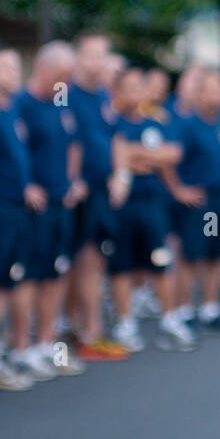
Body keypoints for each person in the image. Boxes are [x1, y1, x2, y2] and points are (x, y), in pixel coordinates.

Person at [10, 41, 85, 378]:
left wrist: (73, 179)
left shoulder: (61, 101)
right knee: (29, 275)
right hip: (33, 206)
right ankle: (21, 347)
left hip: (60, 202)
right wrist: (26, 184)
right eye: (63, 75)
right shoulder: (21, 104)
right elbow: (12, 150)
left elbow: (73, 142)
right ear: (43, 69)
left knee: (55, 272)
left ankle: (46, 344)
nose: (67, 82)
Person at [109, 68, 188, 351]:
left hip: (152, 202)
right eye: (127, 88)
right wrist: (143, 157)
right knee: (121, 265)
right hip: (122, 205)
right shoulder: (112, 122)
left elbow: (172, 154)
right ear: (117, 92)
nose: (133, 93)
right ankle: (125, 323)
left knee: (160, 259)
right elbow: (115, 155)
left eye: (138, 87)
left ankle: (169, 319)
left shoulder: (155, 121)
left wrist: (137, 154)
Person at [0, 48, 40, 389]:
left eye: (18, 66)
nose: (15, 73)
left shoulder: (13, 110)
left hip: (16, 208)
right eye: (6, 67)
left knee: (4, 284)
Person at [67, 33, 127, 360]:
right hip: (82, 192)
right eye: (92, 55)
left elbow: (115, 137)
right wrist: (72, 179)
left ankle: (90, 327)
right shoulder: (69, 95)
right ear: (78, 57)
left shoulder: (103, 96)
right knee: (83, 260)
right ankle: (87, 331)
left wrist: (121, 175)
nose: (98, 62)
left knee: (96, 258)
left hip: (104, 190)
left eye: (103, 55)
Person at [169, 68, 220, 335]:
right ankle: (184, 311)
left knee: (214, 253)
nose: (215, 96)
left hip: (219, 200)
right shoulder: (187, 125)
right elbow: (169, 159)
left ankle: (210, 308)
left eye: (219, 90)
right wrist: (178, 189)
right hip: (198, 201)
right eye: (209, 90)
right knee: (189, 256)